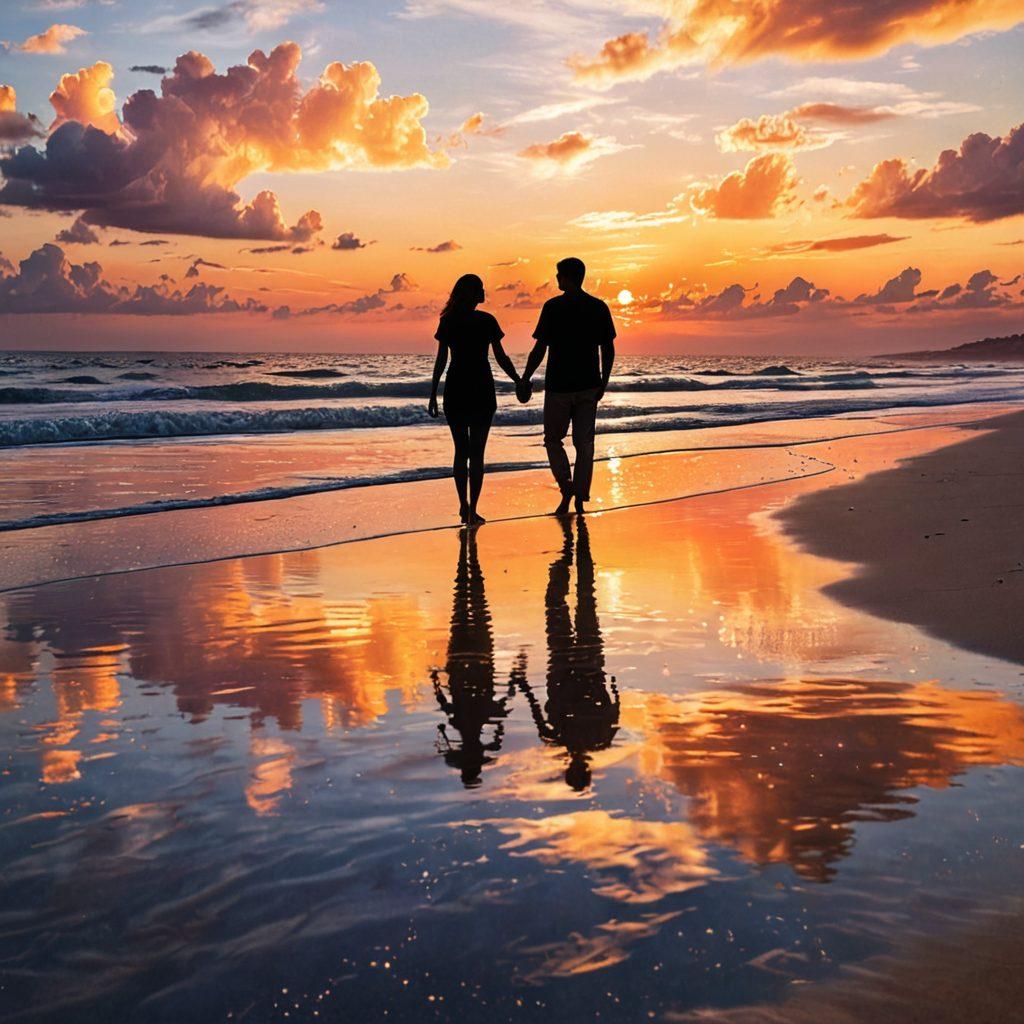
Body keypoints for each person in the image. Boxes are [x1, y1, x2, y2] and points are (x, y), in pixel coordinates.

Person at [516, 516, 619, 791]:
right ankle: (568, 563)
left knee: (583, 604)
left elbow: (614, 711)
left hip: (583, 664)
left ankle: (570, 563)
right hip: (573, 666)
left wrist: (613, 687)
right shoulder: (570, 738)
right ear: (575, 769)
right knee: (564, 607)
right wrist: (525, 686)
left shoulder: (595, 739)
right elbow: (613, 711)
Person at [519, 257, 616, 516]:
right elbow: (608, 349)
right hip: (587, 386)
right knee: (584, 444)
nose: (556, 279)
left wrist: (526, 377)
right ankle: (579, 498)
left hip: (559, 387)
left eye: (558, 274)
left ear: (567, 277)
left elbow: (540, 348)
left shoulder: (552, 307)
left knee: (553, 440)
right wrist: (604, 381)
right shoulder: (598, 307)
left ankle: (566, 487)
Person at [428, 274, 522, 526]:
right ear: (468, 292)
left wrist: (434, 392)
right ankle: (470, 510)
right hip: (479, 388)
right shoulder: (486, 321)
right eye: (479, 288)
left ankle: (465, 507)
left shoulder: (449, 321)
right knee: (476, 453)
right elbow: (500, 357)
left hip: (457, 388)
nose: (483, 291)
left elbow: (442, 361)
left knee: (462, 451)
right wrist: (518, 380)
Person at [432, 529, 520, 788]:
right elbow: (442, 700)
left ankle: (467, 557)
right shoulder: (459, 721)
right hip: (461, 660)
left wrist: (498, 732)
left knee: (476, 605)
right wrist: (436, 680)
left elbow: (505, 700)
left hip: (479, 657)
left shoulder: (485, 717)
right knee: (462, 605)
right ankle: (466, 558)